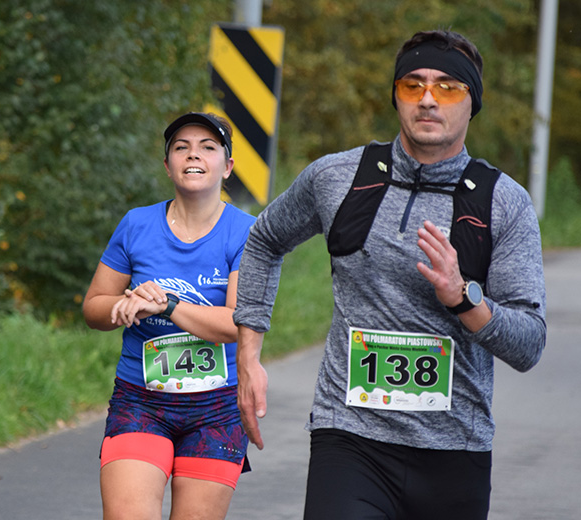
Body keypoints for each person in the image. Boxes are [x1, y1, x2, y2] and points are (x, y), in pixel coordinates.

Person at [233, 30, 546, 520]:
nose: (427, 99)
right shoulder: (336, 178)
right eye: (412, 85)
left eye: (447, 88)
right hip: (349, 438)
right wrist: (248, 355)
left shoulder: (503, 202)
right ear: (396, 96)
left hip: (454, 449)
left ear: (471, 104)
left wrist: (463, 299)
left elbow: (528, 345)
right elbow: (264, 239)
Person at [83, 112, 256, 520]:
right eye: (181, 147)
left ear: (227, 166)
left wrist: (168, 305)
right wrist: (122, 305)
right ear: (167, 165)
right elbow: (94, 308)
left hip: (217, 407)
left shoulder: (247, 231)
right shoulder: (137, 224)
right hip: (140, 399)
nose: (193, 155)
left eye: (208, 148)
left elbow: (237, 324)